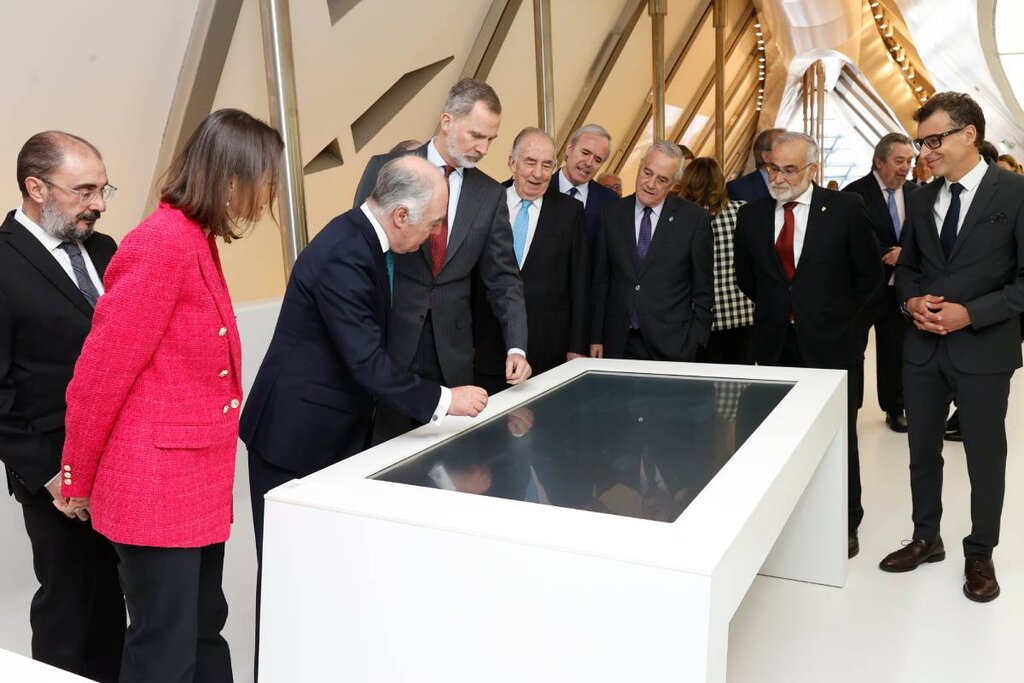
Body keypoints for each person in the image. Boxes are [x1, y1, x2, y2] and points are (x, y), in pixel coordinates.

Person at [58, 109, 284, 683]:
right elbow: (100, 375)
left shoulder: (194, 238)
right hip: (156, 492)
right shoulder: (160, 243)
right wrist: (75, 477)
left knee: (204, 629)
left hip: (191, 487)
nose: (265, 196)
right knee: (166, 649)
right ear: (228, 176)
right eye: (262, 180)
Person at [244, 155, 490, 555]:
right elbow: (366, 362)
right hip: (296, 440)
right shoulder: (346, 252)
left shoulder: (361, 240)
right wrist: (447, 399)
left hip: (324, 431)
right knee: (289, 576)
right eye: (431, 223)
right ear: (400, 215)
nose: (433, 234)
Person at [880, 92, 1024, 603]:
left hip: (984, 349)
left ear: (970, 134)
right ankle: (927, 537)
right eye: (921, 143)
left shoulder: (1015, 193)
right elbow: (910, 268)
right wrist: (912, 300)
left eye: (934, 140)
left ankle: (980, 551)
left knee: (985, 456)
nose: (925, 152)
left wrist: (972, 313)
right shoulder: (921, 198)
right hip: (922, 348)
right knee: (921, 449)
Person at [0, 132, 123, 681]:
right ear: (36, 188)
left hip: (120, 461)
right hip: (53, 472)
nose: (98, 204)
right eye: (84, 191)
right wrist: (53, 476)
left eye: (102, 190)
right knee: (69, 607)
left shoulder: (104, 249)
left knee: (114, 606)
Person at [352, 78, 530, 442]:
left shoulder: (489, 193)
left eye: (491, 140)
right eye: (476, 136)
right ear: (447, 121)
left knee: (448, 455)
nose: (483, 148)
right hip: (390, 343)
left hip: (453, 351)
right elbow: (361, 252)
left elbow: (503, 277)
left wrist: (517, 345)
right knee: (383, 450)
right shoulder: (387, 169)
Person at [733, 131, 882, 559]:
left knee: (840, 436)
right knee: (776, 434)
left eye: (789, 169)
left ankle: (846, 522)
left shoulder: (844, 210)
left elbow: (870, 278)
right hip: (775, 344)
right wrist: (781, 309)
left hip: (833, 346)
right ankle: (785, 517)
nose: (778, 177)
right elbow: (749, 279)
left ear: (812, 170)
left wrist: (843, 324)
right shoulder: (752, 216)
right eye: (771, 168)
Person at [472, 128, 589, 393]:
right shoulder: (487, 202)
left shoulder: (570, 213)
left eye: (547, 165)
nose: (538, 173)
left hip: (546, 350)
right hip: (487, 343)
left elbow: (579, 281)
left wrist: (577, 345)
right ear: (512, 162)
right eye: (530, 162)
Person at [590, 141, 713, 362]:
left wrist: (696, 340)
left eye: (662, 179)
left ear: (674, 184)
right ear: (640, 166)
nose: (650, 184)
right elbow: (601, 281)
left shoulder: (694, 220)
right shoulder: (611, 214)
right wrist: (596, 337)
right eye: (647, 173)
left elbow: (703, 289)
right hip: (618, 343)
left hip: (673, 344)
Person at [842, 133, 918, 433]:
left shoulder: (916, 194)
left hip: (900, 290)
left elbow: (924, 238)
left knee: (895, 351)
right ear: (879, 161)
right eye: (899, 161)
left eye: (909, 162)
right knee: (853, 352)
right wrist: (886, 253)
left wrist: (906, 254)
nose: (905, 168)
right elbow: (849, 241)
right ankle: (850, 407)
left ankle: (895, 407)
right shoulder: (853, 194)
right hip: (862, 290)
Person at [678, 157, 754, 364]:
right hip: (741, 312)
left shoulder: (680, 218)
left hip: (698, 316)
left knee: (704, 383)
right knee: (740, 381)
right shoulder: (742, 211)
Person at [550, 124, 620, 242]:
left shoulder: (610, 202)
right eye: (585, 153)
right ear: (569, 149)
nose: (588, 163)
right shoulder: (541, 189)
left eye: (597, 160)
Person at [726, 127, 786, 202]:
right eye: (784, 149)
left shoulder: (799, 188)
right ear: (766, 157)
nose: (792, 154)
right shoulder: (737, 189)